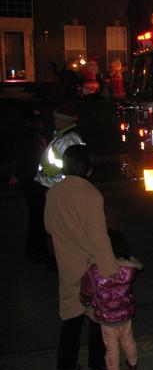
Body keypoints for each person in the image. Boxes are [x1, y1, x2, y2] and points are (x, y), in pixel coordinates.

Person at [44, 144, 119, 370]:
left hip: (67, 264)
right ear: (88, 168)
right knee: (96, 317)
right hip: (92, 267)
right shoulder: (91, 194)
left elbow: (48, 226)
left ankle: (65, 367)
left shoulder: (53, 192)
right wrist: (111, 270)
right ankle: (96, 366)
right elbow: (99, 236)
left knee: (70, 316)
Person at [80, 229, 142, 370]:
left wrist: (86, 302)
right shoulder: (129, 268)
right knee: (128, 338)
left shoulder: (94, 271)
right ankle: (133, 363)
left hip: (107, 316)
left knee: (111, 345)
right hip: (125, 313)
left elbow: (86, 292)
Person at [35, 102, 85, 269]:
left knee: (59, 227)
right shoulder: (64, 137)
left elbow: (55, 166)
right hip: (57, 186)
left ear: (64, 121)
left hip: (56, 187)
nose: (54, 122)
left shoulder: (66, 140)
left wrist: (44, 175)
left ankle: (61, 259)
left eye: (57, 119)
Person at [10, 108, 49, 263]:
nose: (38, 123)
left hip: (35, 182)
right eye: (34, 120)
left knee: (37, 216)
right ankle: (36, 249)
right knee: (38, 216)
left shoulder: (34, 137)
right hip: (33, 183)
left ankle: (36, 248)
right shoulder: (27, 139)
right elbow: (28, 163)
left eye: (38, 120)